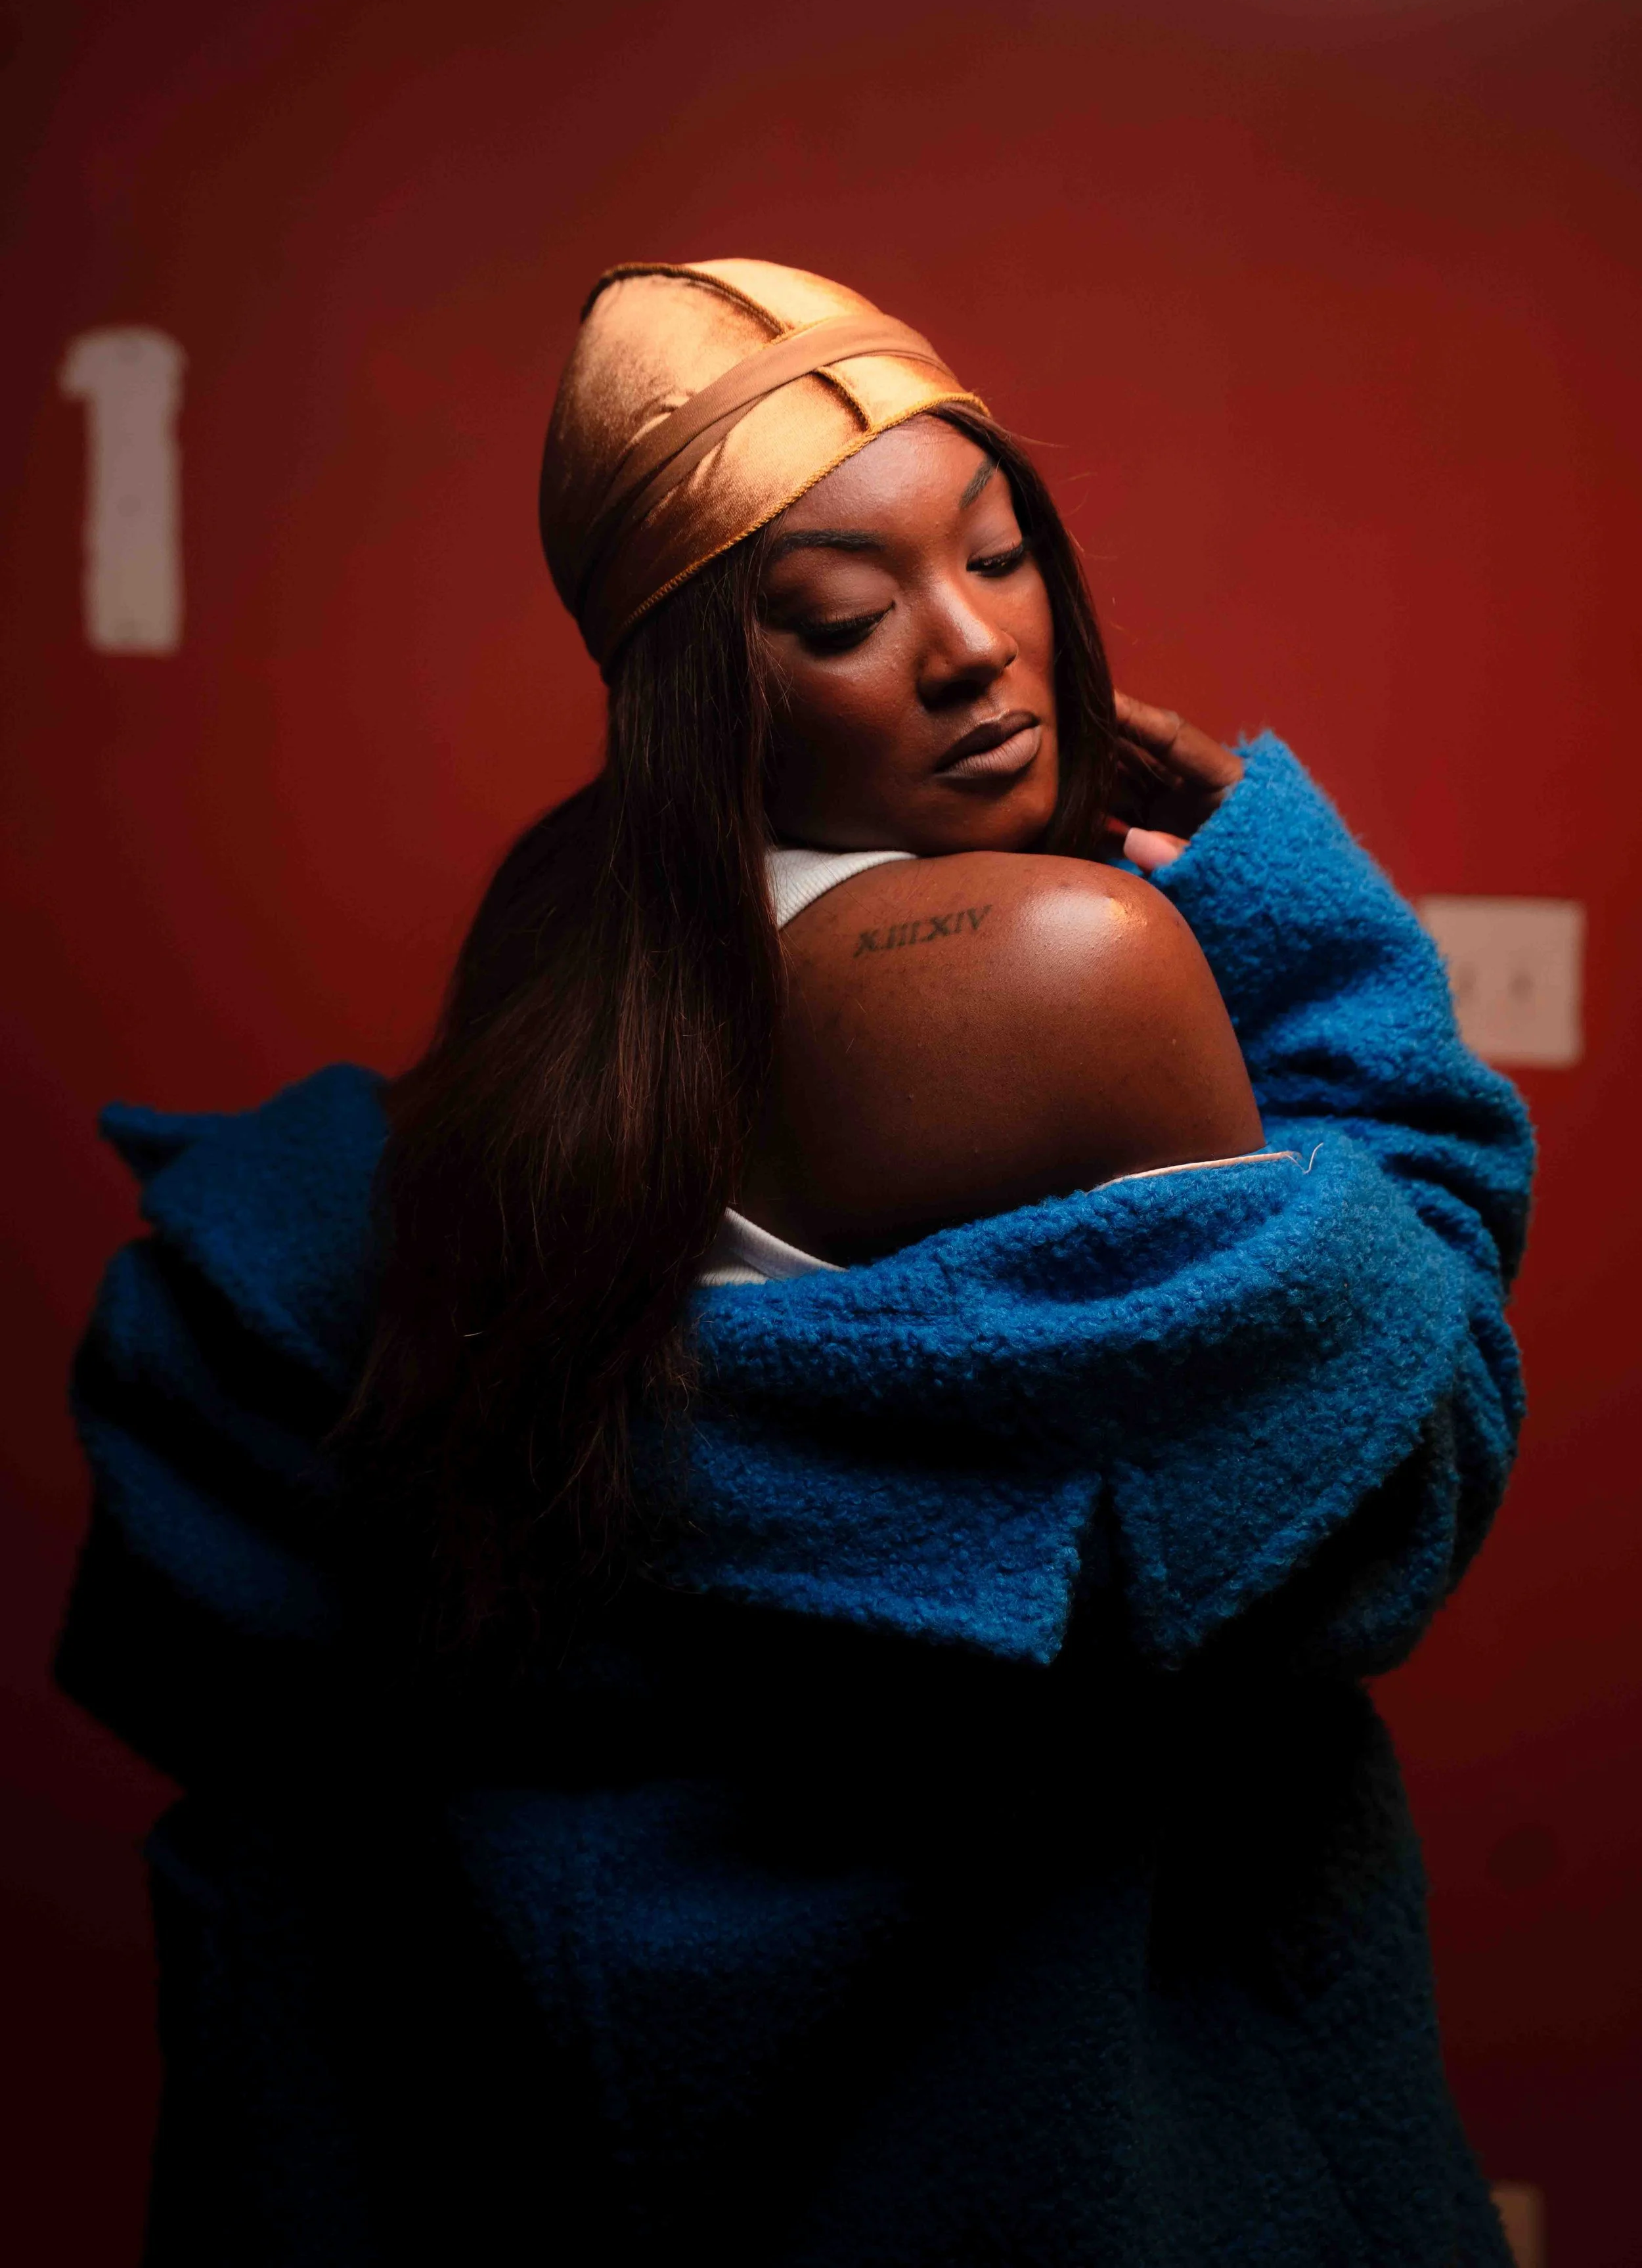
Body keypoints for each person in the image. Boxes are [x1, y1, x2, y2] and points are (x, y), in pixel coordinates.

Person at [61, 259, 1533, 2265]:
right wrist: (1290, 899)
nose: (973, 650)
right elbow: (1389, 1432)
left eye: (999, 554)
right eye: (843, 618)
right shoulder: (1053, 963)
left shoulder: (571, 919)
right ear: (701, 685)